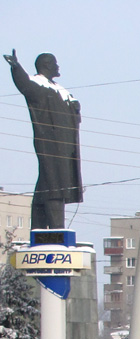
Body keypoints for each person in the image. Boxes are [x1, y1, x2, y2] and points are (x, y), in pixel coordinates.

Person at [5, 50, 83, 230]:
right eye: (55, 63)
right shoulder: (38, 85)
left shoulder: (59, 89)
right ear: (47, 65)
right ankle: (56, 231)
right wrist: (16, 67)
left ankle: (40, 227)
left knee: (49, 186)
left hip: (66, 148)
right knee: (54, 185)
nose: (58, 66)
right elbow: (24, 85)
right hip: (51, 146)